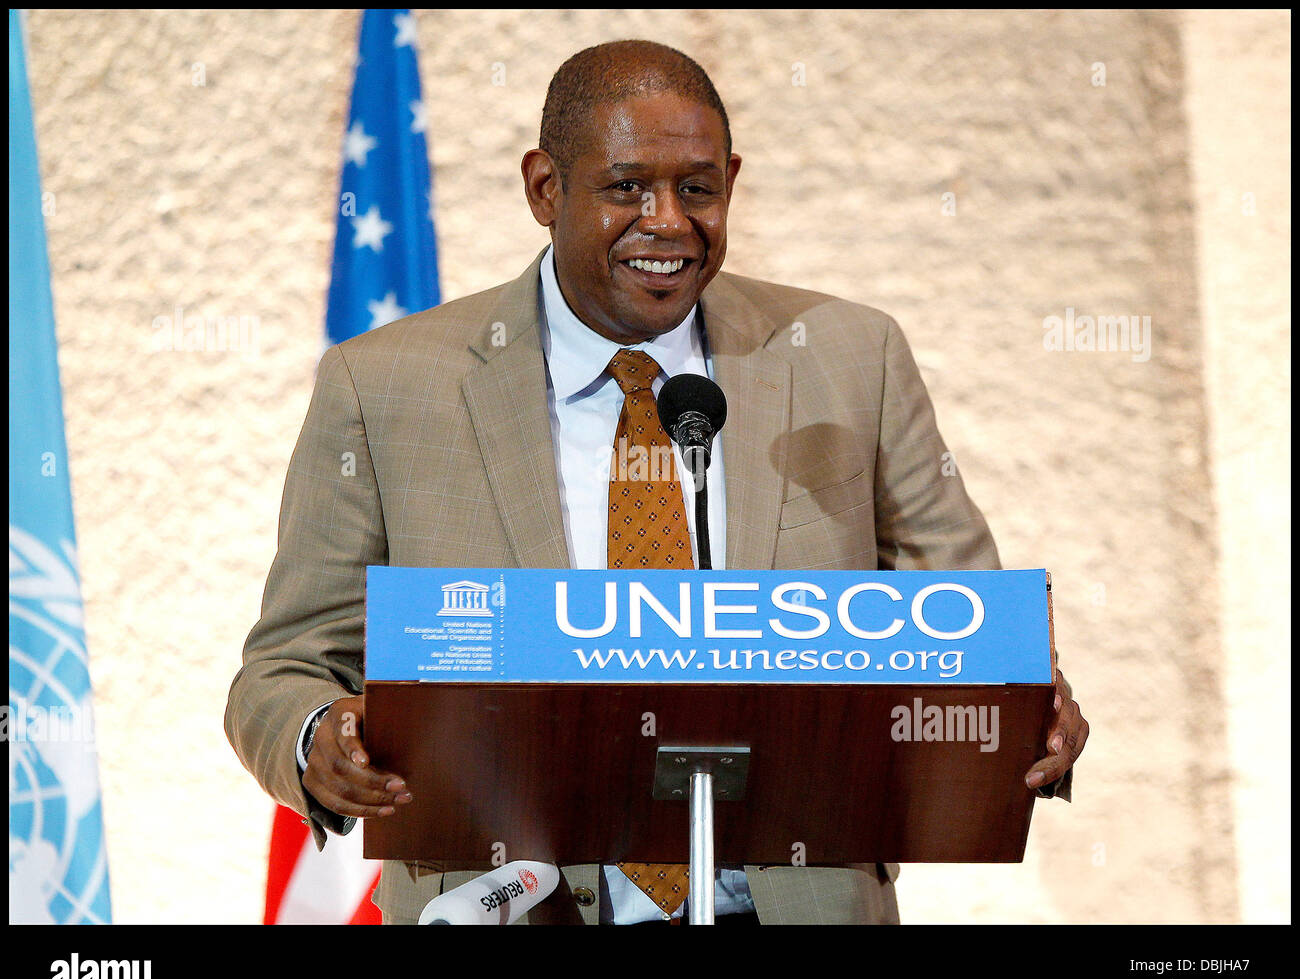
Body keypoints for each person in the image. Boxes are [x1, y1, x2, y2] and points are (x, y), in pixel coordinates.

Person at [226, 39, 1088, 925]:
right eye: (627, 186)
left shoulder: (848, 358)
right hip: (523, 905)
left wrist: (1030, 702)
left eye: (699, 187)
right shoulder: (388, 387)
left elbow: (973, 629)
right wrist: (313, 738)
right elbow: (283, 668)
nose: (668, 220)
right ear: (544, 189)